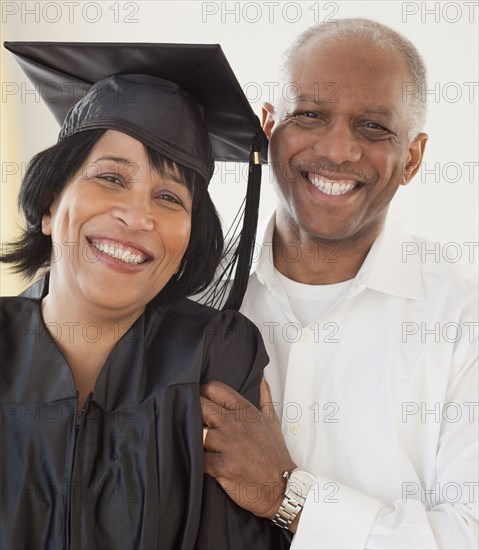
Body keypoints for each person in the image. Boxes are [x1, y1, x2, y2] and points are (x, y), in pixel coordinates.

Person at [200, 18, 478, 549]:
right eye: (310, 115)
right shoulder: (194, 295)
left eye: (373, 127)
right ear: (268, 126)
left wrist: (289, 496)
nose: (337, 150)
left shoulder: (464, 319)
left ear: (412, 159)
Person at [0, 42, 289, 549]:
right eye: (111, 178)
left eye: (170, 197)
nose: (138, 217)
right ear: (49, 205)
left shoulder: (214, 352)